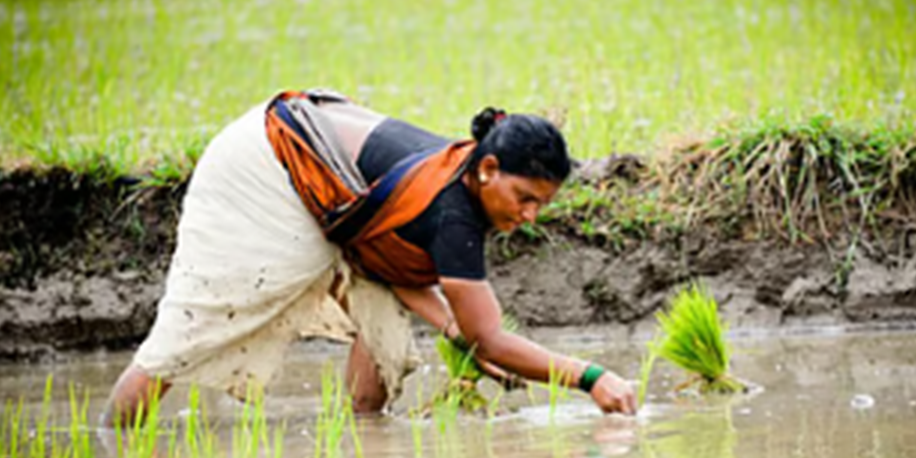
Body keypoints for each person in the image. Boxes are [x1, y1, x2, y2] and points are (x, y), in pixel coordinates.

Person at [102, 89, 637, 425]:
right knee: (187, 335)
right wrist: (591, 379)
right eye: (525, 199)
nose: (530, 217)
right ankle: (114, 443)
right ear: (490, 168)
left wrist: (456, 330)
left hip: (321, 175)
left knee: (381, 325)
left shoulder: (464, 178)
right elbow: (487, 335)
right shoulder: (454, 214)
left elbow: (388, 256)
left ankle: (365, 437)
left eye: (542, 205)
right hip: (266, 165)